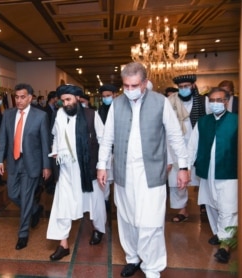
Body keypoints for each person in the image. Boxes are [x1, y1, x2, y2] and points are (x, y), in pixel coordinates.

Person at [97, 62, 189, 278]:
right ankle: (133, 258)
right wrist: (102, 165)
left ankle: (152, 267)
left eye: (134, 85)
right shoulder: (117, 104)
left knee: (151, 222)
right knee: (127, 218)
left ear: (145, 83)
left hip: (152, 172)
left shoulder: (161, 102)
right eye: (126, 86)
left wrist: (183, 166)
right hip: (123, 172)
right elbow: (107, 137)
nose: (129, 90)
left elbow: (175, 136)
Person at [47, 84, 106, 261]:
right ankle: (63, 243)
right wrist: (55, 150)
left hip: (88, 169)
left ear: (78, 99)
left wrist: (102, 166)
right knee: (62, 204)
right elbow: (56, 136)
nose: (65, 104)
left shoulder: (91, 115)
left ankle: (98, 229)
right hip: (66, 169)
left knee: (94, 202)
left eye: (68, 100)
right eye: (62, 100)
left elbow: (103, 141)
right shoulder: (58, 114)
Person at [0, 83, 51, 250]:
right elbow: (3, 139)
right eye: (16, 97)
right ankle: (35, 209)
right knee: (12, 194)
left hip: (31, 163)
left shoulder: (40, 116)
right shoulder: (8, 114)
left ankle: (23, 234)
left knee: (26, 197)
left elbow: (45, 143)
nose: (18, 100)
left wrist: (46, 166)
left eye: (22, 97)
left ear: (30, 98)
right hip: (13, 161)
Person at [188, 87, 238, 264]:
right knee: (211, 204)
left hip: (229, 171)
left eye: (219, 100)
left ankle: (225, 245)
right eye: (212, 100)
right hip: (207, 170)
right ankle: (219, 233)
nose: (215, 103)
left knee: (228, 208)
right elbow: (192, 146)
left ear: (226, 101)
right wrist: (185, 168)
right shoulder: (203, 122)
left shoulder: (236, 121)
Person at [167, 74, 207, 222]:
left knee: (202, 177)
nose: (184, 89)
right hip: (176, 146)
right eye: (181, 87)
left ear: (193, 86)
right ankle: (182, 210)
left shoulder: (203, 101)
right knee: (177, 179)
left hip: (198, 144)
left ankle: (204, 204)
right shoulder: (171, 101)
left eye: (186, 86)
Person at [98, 84, 117, 206]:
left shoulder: (120, 108)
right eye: (104, 96)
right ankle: (105, 203)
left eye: (108, 96)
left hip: (120, 147)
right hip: (106, 147)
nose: (106, 99)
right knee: (107, 178)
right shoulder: (100, 110)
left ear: (115, 95)